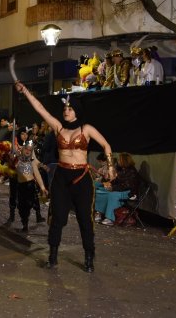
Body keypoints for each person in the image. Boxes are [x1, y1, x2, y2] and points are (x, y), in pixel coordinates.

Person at [15, 82, 116, 273]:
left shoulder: (86, 129)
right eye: (65, 108)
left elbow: (106, 145)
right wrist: (26, 91)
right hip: (62, 176)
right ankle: (52, 256)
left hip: (81, 178)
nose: (66, 111)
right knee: (57, 218)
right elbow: (40, 108)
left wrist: (110, 167)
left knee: (85, 220)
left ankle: (89, 257)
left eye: (70, 108)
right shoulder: (58, 128)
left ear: (76, 110)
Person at [94, 153, 141, 225]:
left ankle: (110, 218)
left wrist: (113, 188)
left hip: (128, 192)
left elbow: (127, 186)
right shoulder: (121, 170)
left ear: (124, 161)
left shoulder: (132, 172)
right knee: (99, 191)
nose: (118, 161)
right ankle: (99, 213)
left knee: (112, 195)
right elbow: (116, 181)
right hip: (119, 189)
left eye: (119, 159)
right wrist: (110, 184)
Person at [14, 141, 47, 232]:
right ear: (23, 149)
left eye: (30, 150)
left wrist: (42, 187)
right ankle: (25, 224)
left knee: (32, 203)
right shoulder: (17, 159)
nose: (28, 151)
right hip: (20, 186)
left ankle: (37, 215)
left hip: (30, 185)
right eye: (26, 149)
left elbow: (37, 175)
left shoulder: (32, 162)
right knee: (21, 206)